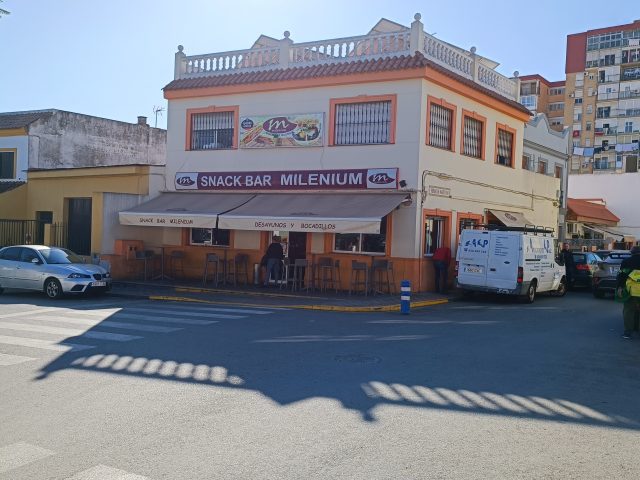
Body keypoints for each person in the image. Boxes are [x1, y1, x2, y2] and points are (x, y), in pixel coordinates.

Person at [617, 245, 640, 339]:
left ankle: (628, 332)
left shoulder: (626, 261)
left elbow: (621, 276)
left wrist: (620, 287)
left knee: (628, 311)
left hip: (631, 291)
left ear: (631, 253)